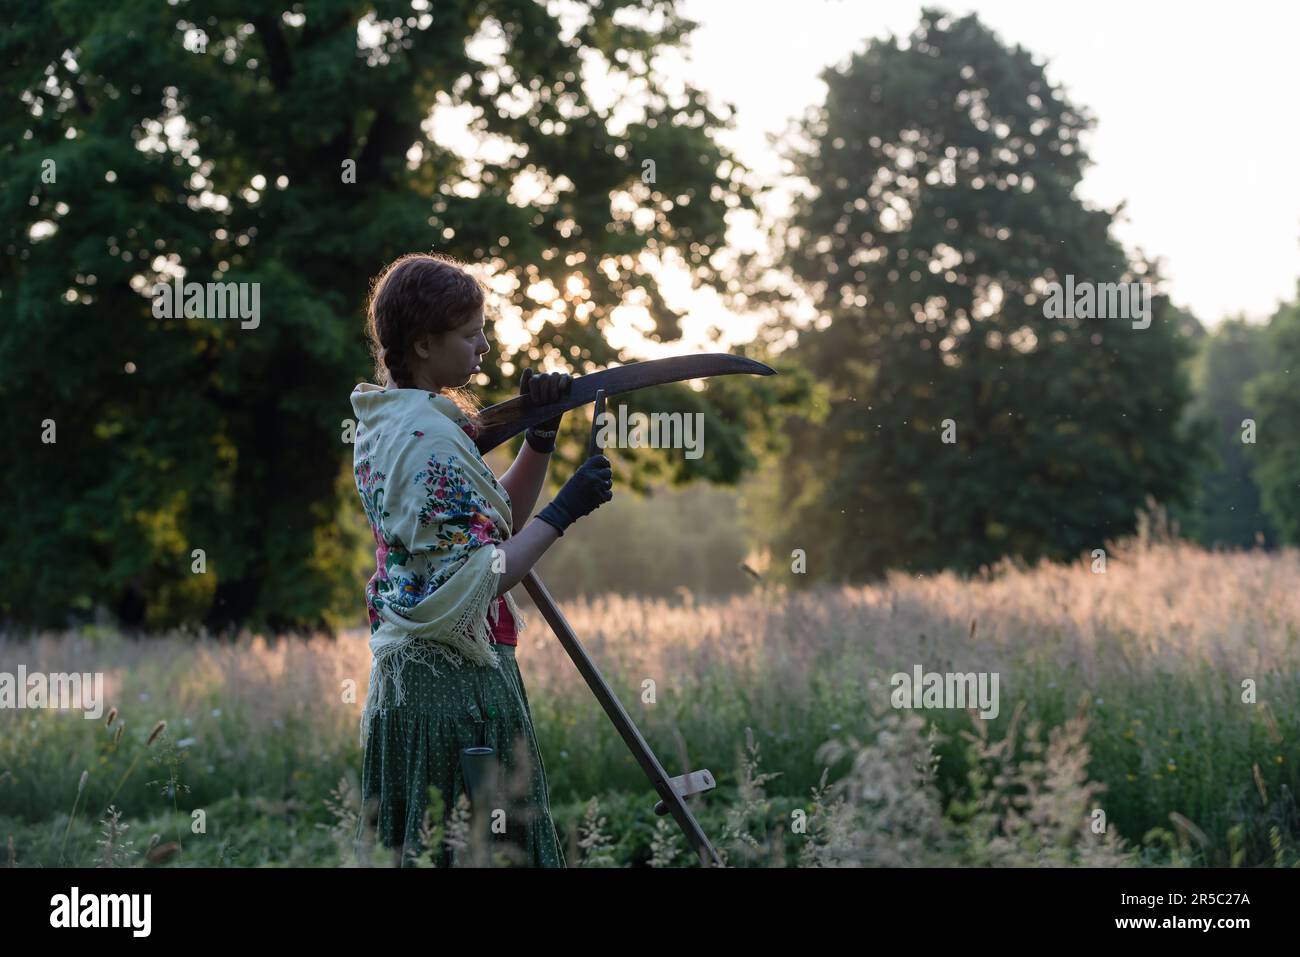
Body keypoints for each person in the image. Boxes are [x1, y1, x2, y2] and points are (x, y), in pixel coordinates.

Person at [349, 252, 613, 867]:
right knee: (482, 850)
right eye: (470, 335)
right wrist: (566, 509)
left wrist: (540, 436)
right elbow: (480, 577)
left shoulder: (393, 422)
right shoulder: (428, 438)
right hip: (453, 684)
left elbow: (492, 526)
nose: (485, 348)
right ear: (421, 344)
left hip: (413, 679)